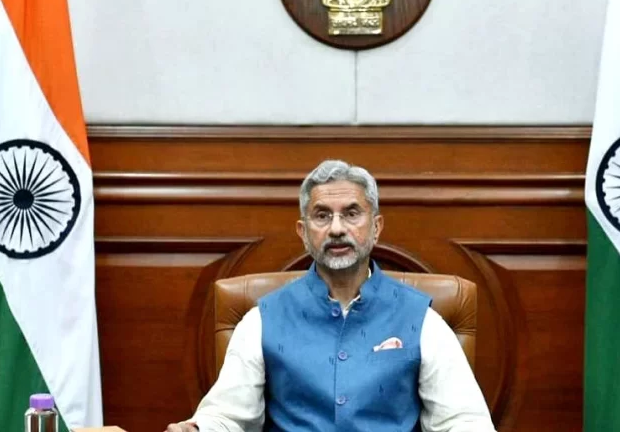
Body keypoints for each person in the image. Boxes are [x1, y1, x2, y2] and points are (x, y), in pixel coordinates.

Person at [165, 160, 497, 432]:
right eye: (322, 215)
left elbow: (464, 421)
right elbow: (227, 416)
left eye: (352, 213)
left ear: (376, 227)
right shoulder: (261, 321)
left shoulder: (422, 321)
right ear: (304, 231)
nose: (337, 228)